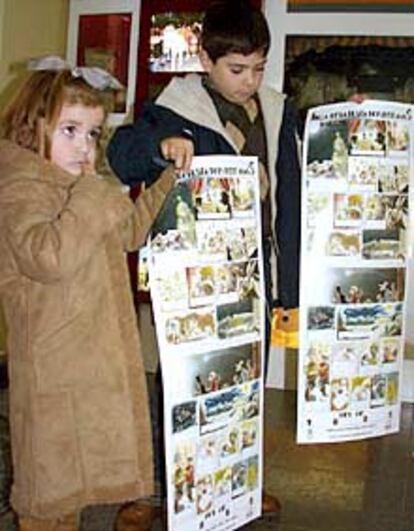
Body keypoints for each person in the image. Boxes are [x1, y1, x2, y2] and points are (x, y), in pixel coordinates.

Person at [107, 0, 301, 521]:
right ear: (206, 60)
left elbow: (292, 203)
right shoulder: (173, 107)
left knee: (246, 384)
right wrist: (160, 146)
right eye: (237, 69)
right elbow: (121, 151)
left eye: (258, 67)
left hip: (254, 273)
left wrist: (291, 294)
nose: (249, 80)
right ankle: (164, 491)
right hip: (192, 277)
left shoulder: (279, 112)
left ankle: (239, 482)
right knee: (181, 386)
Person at [0, 57, 175, 531]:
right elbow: (47, 257)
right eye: (70, 130)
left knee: (71, 494)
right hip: (52, 376)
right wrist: (92, 196)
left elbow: (131, 232)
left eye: (93, 134)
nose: (84, 147)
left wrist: (169, 181)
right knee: (46, 500)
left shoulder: (81, 189)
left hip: (88, 368)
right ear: (32, 125)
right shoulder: (20, 187)